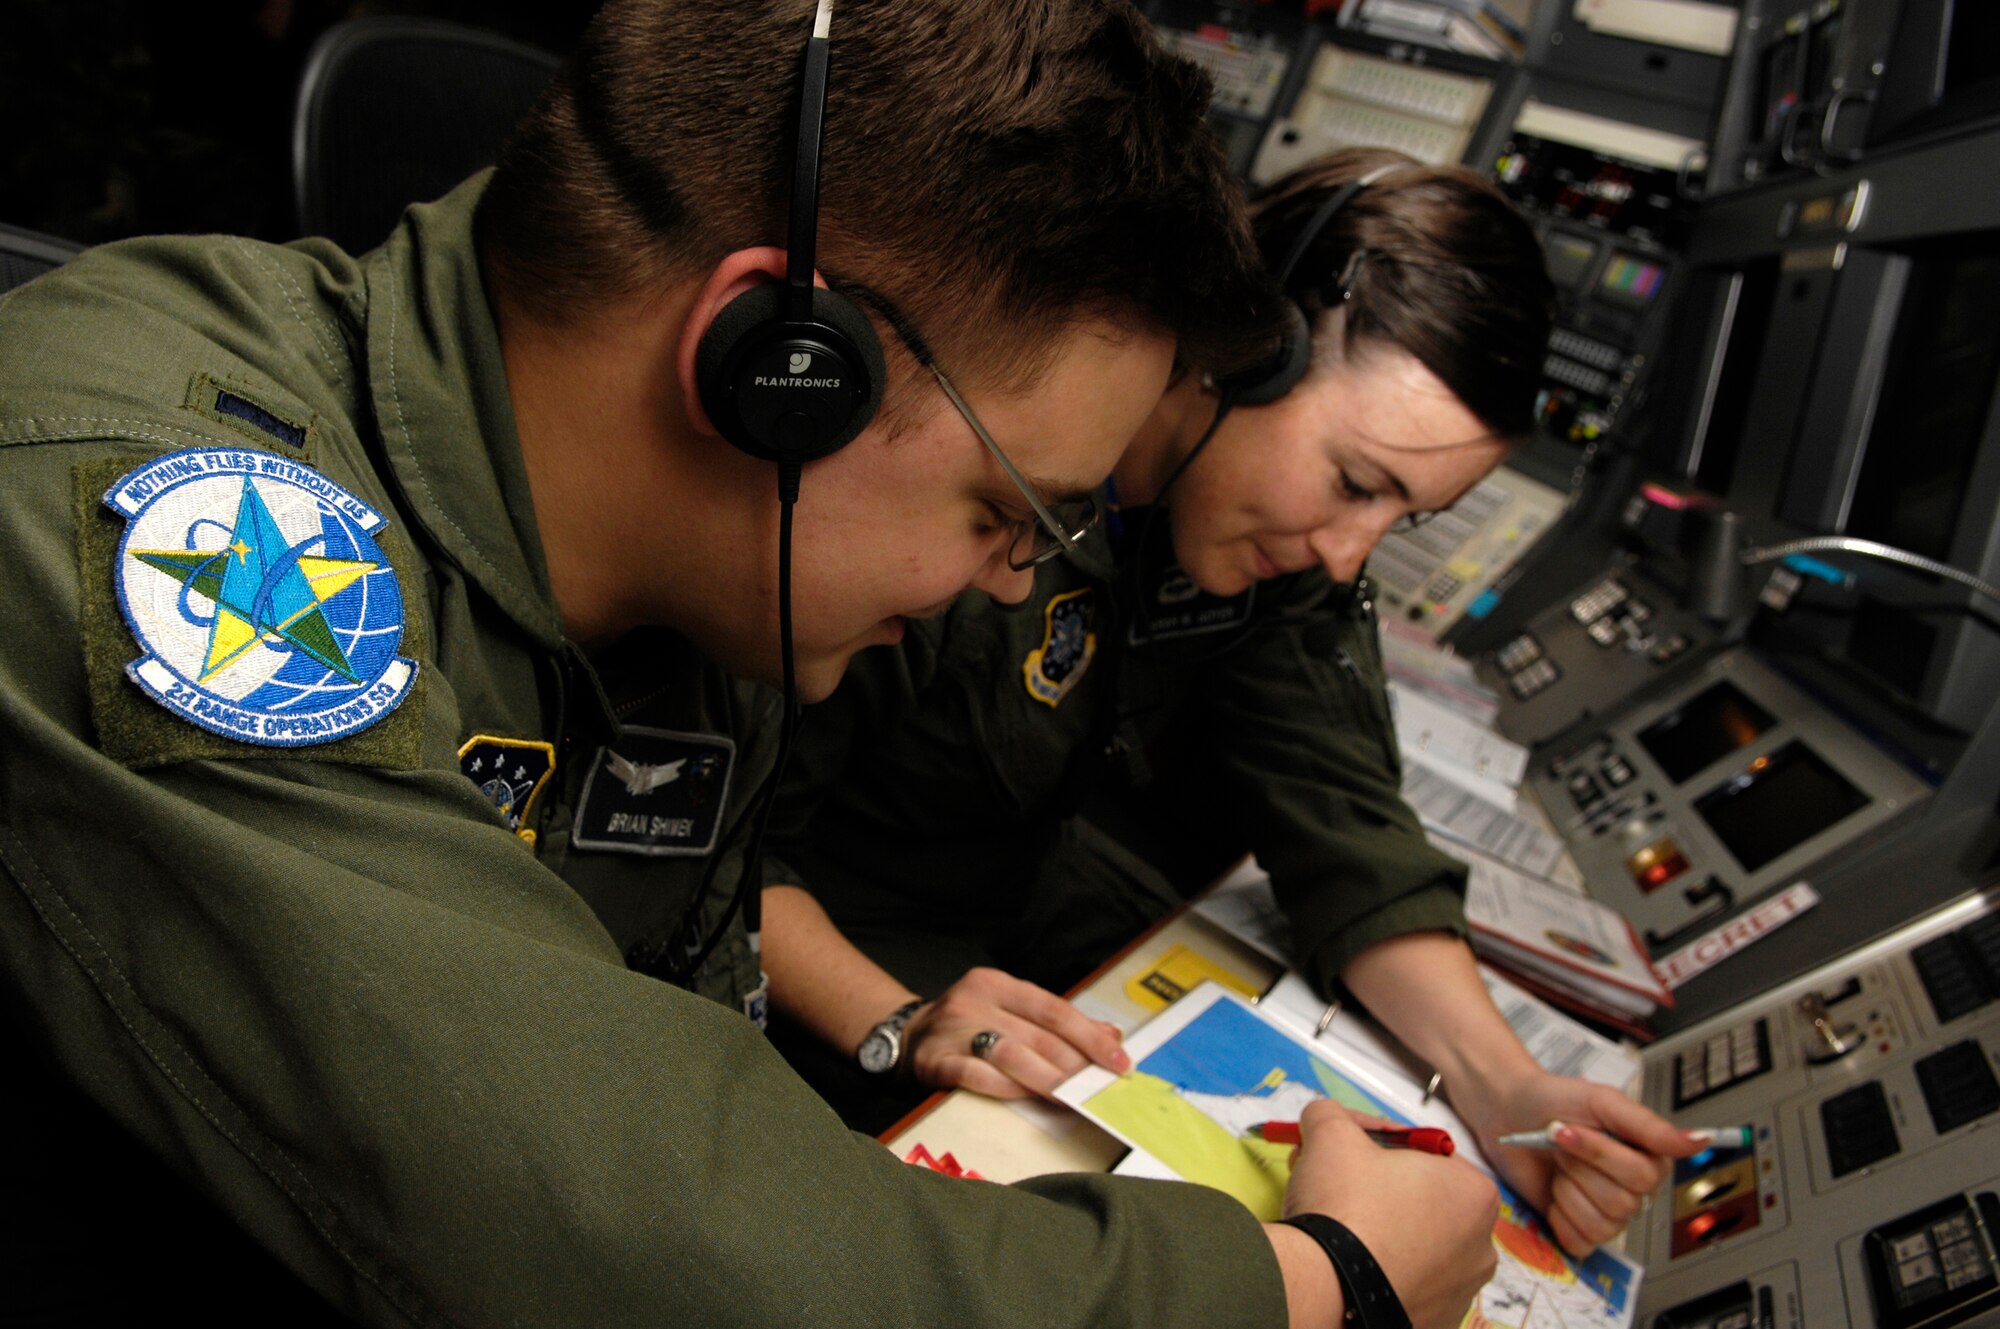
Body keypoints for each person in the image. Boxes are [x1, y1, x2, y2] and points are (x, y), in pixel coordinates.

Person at [0, 5, 1525, 1327]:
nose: (1013, 579)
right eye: (1005, 512)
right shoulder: (181, 531)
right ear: (776, 371)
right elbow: (632, 1235)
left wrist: (885, 1029)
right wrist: (1321, 1285)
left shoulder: (716, 585)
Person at [761, 147, 1701, 1259]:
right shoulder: (976, 480)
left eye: (1399, 520)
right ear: (1244, 352)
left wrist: (1508, 1093)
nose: (1350, 557)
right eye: (1355, 482)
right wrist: (895, 1022)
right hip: (829, 989)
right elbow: (724, 847)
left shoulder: (1274, 559)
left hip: (1035, 981)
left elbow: (1345, 826)